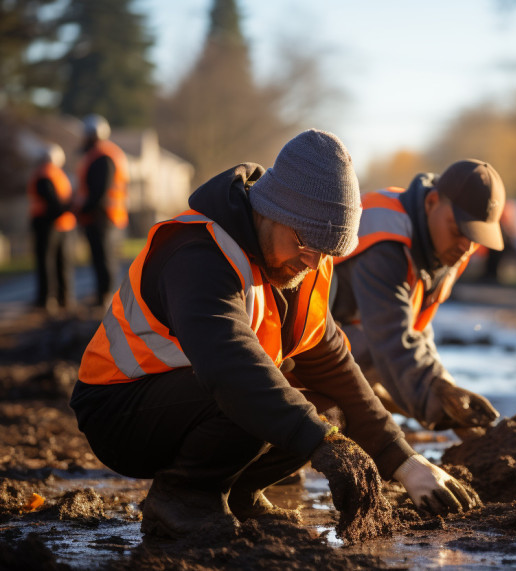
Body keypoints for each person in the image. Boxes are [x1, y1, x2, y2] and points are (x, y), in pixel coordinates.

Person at [70, 130, 479, 540]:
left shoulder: (305, 260)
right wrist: (322, 444)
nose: (313, 262)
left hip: (198, 398)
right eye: (305, 243)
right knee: (262, 395)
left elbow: (336, 366)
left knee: (329, 409)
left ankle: (240, 491)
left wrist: (405, 462)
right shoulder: (197, 252)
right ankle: (184, 497)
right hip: (119, 412)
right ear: (270, 208)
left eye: (327, 251)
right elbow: (231, 367)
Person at [328, 159, 504, 438]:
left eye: (475, 238)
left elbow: (417, 332)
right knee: (375, 359)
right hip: (291, 343)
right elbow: (392, 341)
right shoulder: (385, 241)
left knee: (396, 375)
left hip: (349, 336)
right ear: (432, 202)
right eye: (459, 231)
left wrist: (446, 389)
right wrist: (446, 414)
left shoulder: (447, 248)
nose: (466, 247)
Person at [75, 114, 129, 308]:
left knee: (105, 258)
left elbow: (99, 191)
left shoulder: (102, 156)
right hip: (101, 215)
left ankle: (107, 297)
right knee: (101, 258)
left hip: (103, 215)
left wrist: (82, 208)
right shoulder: (101, 154)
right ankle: (103, 295)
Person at [27, 143, 76, 313]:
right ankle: (64, 298)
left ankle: (46, 299)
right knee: (62, 263)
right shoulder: (60, 175)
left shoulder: (43, 174)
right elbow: (62, 200)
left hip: (47, 223)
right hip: (62, 224)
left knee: (46, 262)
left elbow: (51, 202)